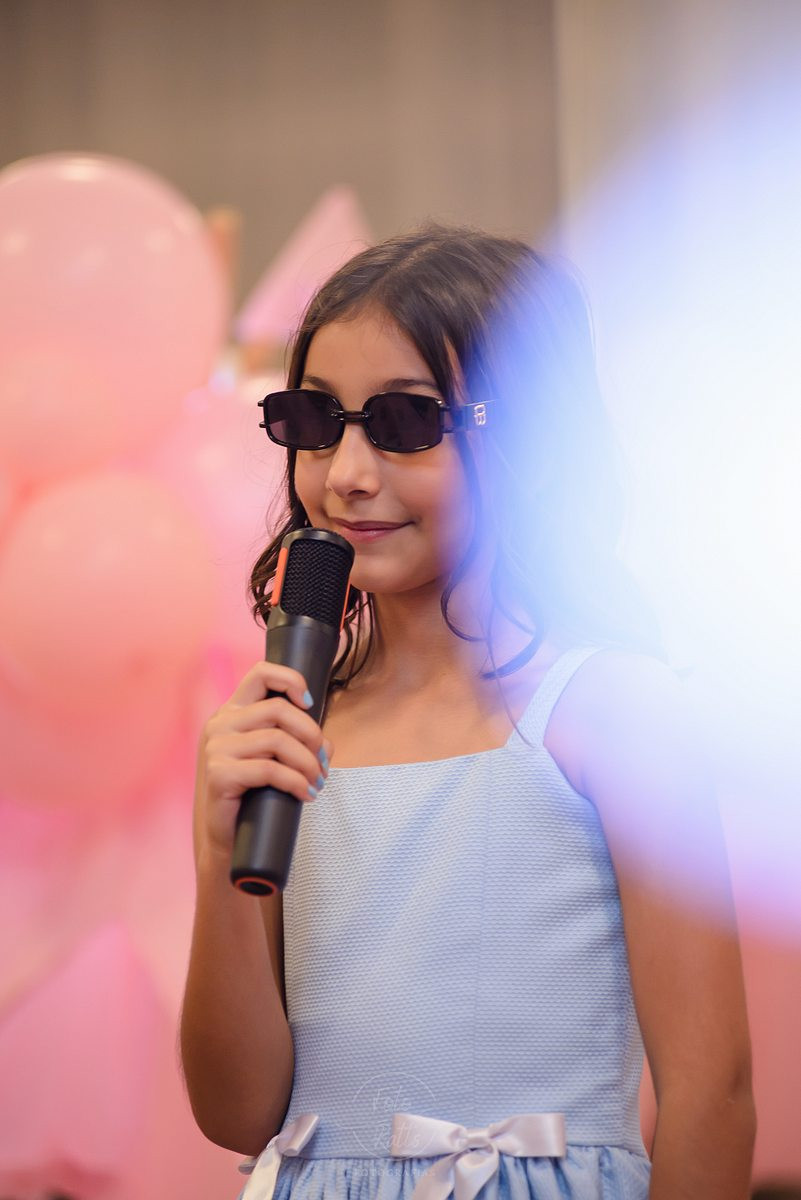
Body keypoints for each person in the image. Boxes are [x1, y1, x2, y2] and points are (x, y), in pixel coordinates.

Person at [180, 226, 756, 1199]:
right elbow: (236, 1112)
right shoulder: (293, 727)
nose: (347, 471)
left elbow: (713, 1093)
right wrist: (215, 853)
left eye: (404, 421)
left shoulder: (613, 711)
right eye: (315, 419)